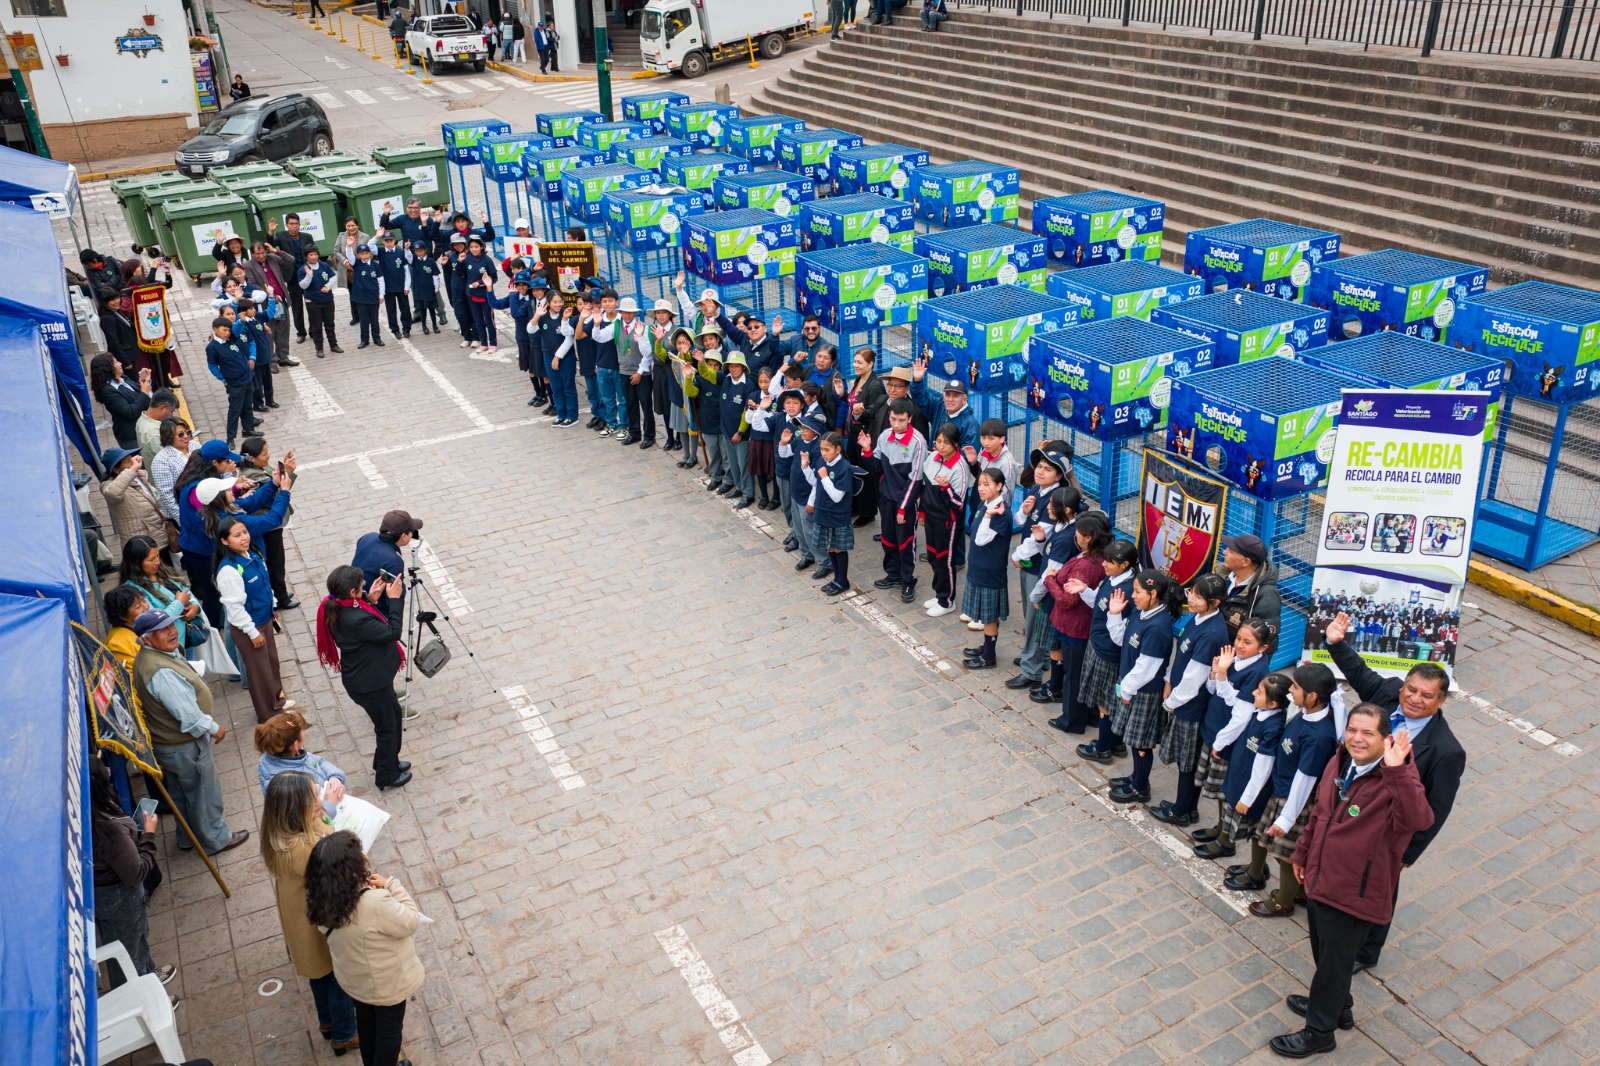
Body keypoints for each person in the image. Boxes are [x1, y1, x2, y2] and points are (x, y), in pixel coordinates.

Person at [1270, 705, 1433, 1058]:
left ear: (1387, 739)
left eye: (1368, 733)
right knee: (1326, 955)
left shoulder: (1398, 779)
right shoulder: (1341, 760)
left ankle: (1319, 1033)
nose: (1357, 738)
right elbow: (1321, 811)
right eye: (1353, 730)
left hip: (1353, 894)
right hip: (1320, 879)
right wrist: (1301, 853)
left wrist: (1397, 771)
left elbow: (1419, 818)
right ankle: (1337, 1007)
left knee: (1332, 966)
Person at [1322, 611, 1465, 974]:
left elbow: (1437, 809)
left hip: (1390, 827)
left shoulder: (1446, 751)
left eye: (1426, 696)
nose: (1415, 700)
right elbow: (1359, 673)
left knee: (1380, 887)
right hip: (1354, 803)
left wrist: (1409, 853)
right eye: (1411, 690)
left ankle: (1367, 951)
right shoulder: (1387, 696)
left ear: (1441, 701)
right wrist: (1337, 642)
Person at [129, 610, 249, 854]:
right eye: (163, 630)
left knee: (182, 794)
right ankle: (216, 839)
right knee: (203, 793)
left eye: (172, 625)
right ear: (147, 639)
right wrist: (215, 728)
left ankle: (187, 838)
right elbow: (189, 716)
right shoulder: (160, 671)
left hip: (168, 745)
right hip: (183, 746)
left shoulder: (151, 657)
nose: (173, 631)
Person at [1225, 664, 1342, 914]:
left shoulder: (1319, 737)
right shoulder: (1306, 713)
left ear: (1311, 697)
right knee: (1271, 844)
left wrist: (1287, 818)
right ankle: (1297, 892)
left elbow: (1305, 779)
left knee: (1286, 855)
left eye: (1297, 688)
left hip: (1294, 800)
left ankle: (1284, 902)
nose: (1291, 693)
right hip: (1282, 790)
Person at [305, 830, 425, 1066]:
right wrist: (391, 884)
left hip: (356, 981)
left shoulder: (321, 901)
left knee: (367, 1025)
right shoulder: (375, 902)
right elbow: (411, 921)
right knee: (389, 1033)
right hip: (387, 984)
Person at [259, 772, 358, 1056]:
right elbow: (330, 840)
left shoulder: (282, 837)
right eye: (313, 798)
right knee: (337, 977)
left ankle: (327, 1023)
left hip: (302, 926)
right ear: (295, 810)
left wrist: (320, 809)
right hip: (318, 925)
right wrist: (327, 812)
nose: (320, 799)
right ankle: (344, 1034)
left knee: (319, 977)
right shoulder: (302, 848)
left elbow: (318, 822)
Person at [1150, 574, 1233, 825]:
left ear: (1215, 602)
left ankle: (1181, 811)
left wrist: (1171, 702)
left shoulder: (1211, 634)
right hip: (1180, 699)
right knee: (1187, 760)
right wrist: (1168, 680)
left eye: (1199, 596)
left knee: (1188, 763)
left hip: (1190, 706)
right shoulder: (1198, 619)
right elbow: (1181, 656)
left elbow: (1194, 679)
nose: (1192, 599)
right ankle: (1188, 807)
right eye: (1192, 593)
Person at [1189, 618, 1275, 857]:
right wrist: (1217, 672)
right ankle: (1221, 827)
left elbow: (1240, 715)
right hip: (1215, 730)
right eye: (1238, 638)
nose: (1239, 644)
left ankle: (1227, 840)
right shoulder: (1235, 658)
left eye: (1247, 642)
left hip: (1228, 740)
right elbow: (1213, 690)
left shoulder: (1257, 672)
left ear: (1262, 648)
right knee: (1218, 790)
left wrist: (1224, 673)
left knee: (1228, 792)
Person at [90, 757, 175, 990]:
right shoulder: (108, 827)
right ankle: (143, 1001)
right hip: (119, 898)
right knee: (128, 955)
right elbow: (135, 872)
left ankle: (150, 976)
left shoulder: (93, 812)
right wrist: (148, 835)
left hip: (107, 894)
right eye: (103, 771)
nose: (109, 770)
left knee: (138, 938)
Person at [1107, 570, 1185, 803]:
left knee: (1141, 741)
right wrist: (1114, 615)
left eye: (1138, 592)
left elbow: (1147, 667)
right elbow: (1121, 640)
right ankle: (1136, 776)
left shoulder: (1158, 627)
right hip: (1132, 686)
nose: (1133, 596)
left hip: (1143, 691)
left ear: (1153, 594)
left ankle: (1141, 787)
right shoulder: (1140, 613)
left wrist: (1128, 689)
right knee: (1133, 738)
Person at [216, 515, 293, 724]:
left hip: (264, 619)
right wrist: (252, 632)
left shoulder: (253, 553)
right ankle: (268, 716)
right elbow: (234, 609)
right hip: (250, 627)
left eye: (245, 532)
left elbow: (265, 585)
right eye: (237, 535)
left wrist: (273, 606)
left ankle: (278, 702)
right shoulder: (229, 571)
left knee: (272, 664)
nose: (244, 538)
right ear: (224, 541)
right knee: (260, 674)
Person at [1043, 506, 1110, 734]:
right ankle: (1090, 715)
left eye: (1079, 533)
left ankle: (1071, 720)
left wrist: (1050, 580)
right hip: (1084, 625)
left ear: (1089, 538)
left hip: (1074, 627)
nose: (1076, 536)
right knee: (1082, 673)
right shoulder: (1098, 557)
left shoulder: (1084, 566)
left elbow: (1068, 600)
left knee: (1074, 675)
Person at [858, 398, 926, 603]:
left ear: (910, 419)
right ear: (889, 417)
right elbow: (876, 468)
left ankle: (907, 581)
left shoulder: (918, 442)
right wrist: (867, 450)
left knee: (906, 543)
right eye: (893, 419)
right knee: (888, 539)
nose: (897, 424)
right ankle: (892, 575)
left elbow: (916, 480)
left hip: (905, 504)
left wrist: (903, 508)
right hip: (886, 500)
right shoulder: (885, 436)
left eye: (901, 420)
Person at [958, 467, 1013, 669]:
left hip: (990, 572)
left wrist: (989, 515)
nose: (981, 488)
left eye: (987, 484)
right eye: (980, 484)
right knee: (985, 614)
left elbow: (980, 539)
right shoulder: (986, 504)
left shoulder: (1001, 514)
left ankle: (988, 656)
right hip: (978, 568)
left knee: (989, 617)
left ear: (999, 486)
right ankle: (986, 646)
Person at [237, 437, 300, 609]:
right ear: (252, 458)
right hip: (267, 525)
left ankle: (279, 592)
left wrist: (283, 468)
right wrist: (287, 474)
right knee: (275, 561)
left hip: (267, 523)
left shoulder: (257, 468)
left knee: (275, 560)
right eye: (264, 454)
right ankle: (280, 597)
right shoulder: (252, 476)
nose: (268, 457)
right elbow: (278, 492)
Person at [919, 422, 969, 617]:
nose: (941, 446)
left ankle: (947, 600)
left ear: (955, 444)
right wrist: (922, 512)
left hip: (948, 521)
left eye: (946, 443)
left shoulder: (960, 467)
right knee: (932, 556)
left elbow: (958, 504)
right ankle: (939, 593)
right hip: (931, 517)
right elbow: (924, 488)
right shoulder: (932, 458)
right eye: (938, 441)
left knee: (945, 560)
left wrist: (946, 487)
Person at [120, 535, 202, 649]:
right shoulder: (132, 590)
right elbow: (153, 621)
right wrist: (179, 603)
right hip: (167, 646)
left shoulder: (163, 572)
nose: (157, 562)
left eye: (158, 556)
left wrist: (195, 606)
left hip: (185, 638)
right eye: (151, 559)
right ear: (136, 563)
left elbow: (186, 592)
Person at [805, 431, 858, 596]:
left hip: (837, 515)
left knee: (839, 549)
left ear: (838, 449)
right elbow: (815, 484)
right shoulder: (822, 461)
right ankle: (836, 578)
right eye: (821, 449)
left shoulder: (844, 468)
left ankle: (843, 581)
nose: (823, 453)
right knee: (830, 547)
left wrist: (825, 477)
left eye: (827, 449)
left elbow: (836, 496)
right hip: (822, 512)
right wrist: (805, 467)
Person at [256, 711, 348, 804]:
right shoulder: (288, 786)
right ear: (295, 744)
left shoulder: (290, 753)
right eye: (303, 731)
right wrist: (330, 803)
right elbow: (305, 816)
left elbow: (319, 762)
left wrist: (334, 776)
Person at [101, 446, 170, 554]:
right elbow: (113, 493)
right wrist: (132, 470)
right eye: (128, 462)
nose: (133, 463)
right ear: (116, 469)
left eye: (132, 458)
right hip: (142, 546)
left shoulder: (139, 477)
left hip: (161, 538)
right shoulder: (108, 485)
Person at [1218, 534, 1282, 649]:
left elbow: (1266, 643)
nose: (1224, 552)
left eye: (1231, 551)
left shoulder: (1267, 597)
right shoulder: (1222, 575)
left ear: (1245, 562)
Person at [353, 510, 422, 613]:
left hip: (355, 596)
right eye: (411, 531)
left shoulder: (368, 537)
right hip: (374, 610)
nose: (412, 534)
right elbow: (394, 599)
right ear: (403, 536)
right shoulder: (394, 561)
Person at [246, 241, 301, 369]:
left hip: (281, 300)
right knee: (269, 332)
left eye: (263, 252)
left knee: (283, 329)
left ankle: (283, 356)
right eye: (257, 254)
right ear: (252, 254)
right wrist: (269, 294)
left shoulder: (272, 258)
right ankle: (271, 360)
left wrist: (275, 250)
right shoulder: (248, 266)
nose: (261, 256)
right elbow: (252, 285)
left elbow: (291, 260)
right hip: (265, 303)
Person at [204, 316, 257, 446]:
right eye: (224, 330)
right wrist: (223, 379)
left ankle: (248, 429)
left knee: (247, 406)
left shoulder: (231, 339)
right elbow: (212, 366)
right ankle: (230, 438)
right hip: (235, 384)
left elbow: (237, 329)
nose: (227, 333)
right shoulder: (212, 347)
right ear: (215, 329)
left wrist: (241, 321)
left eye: (228, 330)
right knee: (235, 410)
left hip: (247, 379)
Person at [269, 214, 318, 345]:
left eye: (296, 223)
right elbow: (269, 245)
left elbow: (313, 253)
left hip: (307, 275)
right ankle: (301, 333)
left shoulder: (307, 237)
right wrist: (271, 232)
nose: (294, 226)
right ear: (287, 225)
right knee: (297, 307)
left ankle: (314, 330)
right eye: (291, 223)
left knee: (312, 305)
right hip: (292, 277)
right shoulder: (281, 236)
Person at [91, 353, 152, 449]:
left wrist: (145, 382)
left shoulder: (122, 378)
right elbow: (130, 412)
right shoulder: (107, 391)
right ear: (107, 368)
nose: (120, 363)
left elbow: (142, 396)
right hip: (132, 436)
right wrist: (144, 392)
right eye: (115, 362)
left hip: (145, 428)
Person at [299, 245, 343, 356]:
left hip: (327, 300)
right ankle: (319, 348)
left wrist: (327, 287)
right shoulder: (302, 269)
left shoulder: (324, 265)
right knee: (316, 326)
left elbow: (333, 277)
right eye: (311, 255)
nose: (314, 257)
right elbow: (303, 286)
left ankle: (333, 345)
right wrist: (308, 276)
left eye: (315, 254)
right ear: (306, 256)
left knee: (330, 324)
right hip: (313, 302)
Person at [374, 232, 413, 340]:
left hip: (401, 286)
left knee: (404, 308)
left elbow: (406, 270)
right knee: (391, 309)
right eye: (386, 241)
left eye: (391, 240)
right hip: (388, 287)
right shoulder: (380, 251)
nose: (389, 243)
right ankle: (395, 329)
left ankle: (406, 328)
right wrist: (376, 236)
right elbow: (370, 246)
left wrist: (407, 286)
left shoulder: (400, 252)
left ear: (394, 240)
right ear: (383, 242)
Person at [348, 243, 385, 350]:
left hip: (373, 296)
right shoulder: (357, 263)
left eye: (366, 253)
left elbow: (381, 281)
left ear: (370, 253)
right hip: (361, 297)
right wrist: (349, 246)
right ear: (358, 255)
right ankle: (364, 340)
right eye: (362, 254)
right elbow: (350, 256)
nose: (364, 256)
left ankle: (376, 338)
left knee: (374, 319)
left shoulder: (375, 265)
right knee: (363, 320)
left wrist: (381, 294)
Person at [134, 389, 177, 468]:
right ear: (162, 408)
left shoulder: (141, 419)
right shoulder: (153, 433)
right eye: (171, 411)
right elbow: (171, 459)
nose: (172, 415)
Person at [408, 240, 441, 335]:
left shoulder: (431, 261)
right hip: (419, 289)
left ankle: (434, 325)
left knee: (431, 308)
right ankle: (424, 326)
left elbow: (435, 276)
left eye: (421, 250)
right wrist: (406, 249)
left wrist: (436, 288)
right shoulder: (414, 261)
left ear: (425, 250)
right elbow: (408, 257)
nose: (419, 253)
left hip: (429, 289)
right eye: (417, 251)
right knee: (422, 309)